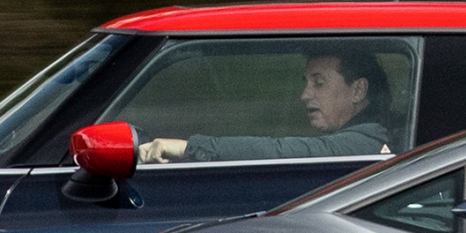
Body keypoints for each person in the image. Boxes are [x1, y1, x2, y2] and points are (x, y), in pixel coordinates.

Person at [135, 50, 397, 163]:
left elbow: (282, 151)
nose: (304, 95)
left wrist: (187, 148)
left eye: (318, 83)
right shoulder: (369, 135)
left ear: (358, 90)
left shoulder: (367, 143)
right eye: (306, 83)